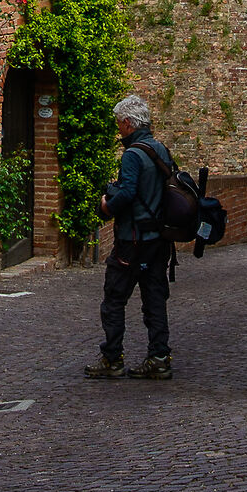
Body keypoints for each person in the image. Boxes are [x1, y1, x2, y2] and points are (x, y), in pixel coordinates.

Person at [87, 93, 175, 380]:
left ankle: (112, 358)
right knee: (154, 298)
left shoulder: (132, 155)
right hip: (159, 240)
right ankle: (159, 357)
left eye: (119, 123)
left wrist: (106, 206)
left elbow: (127, 194)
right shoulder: (159, 149)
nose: (118, 128)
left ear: (127, 123)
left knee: (114, 298)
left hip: (132, 238)